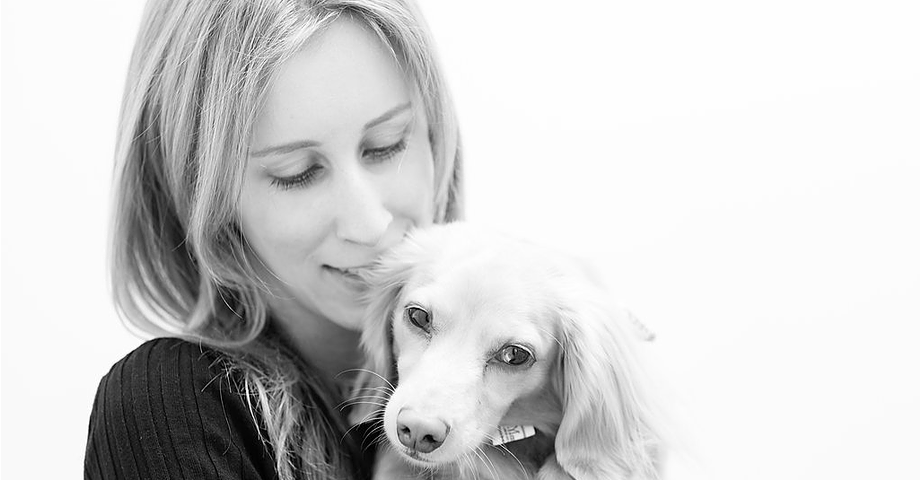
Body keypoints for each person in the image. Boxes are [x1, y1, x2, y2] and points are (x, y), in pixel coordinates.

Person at [84, 1, 462, 479]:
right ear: (211, 201)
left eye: (387, 144)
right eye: (297, 174)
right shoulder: (175, 407)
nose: (368, 223)